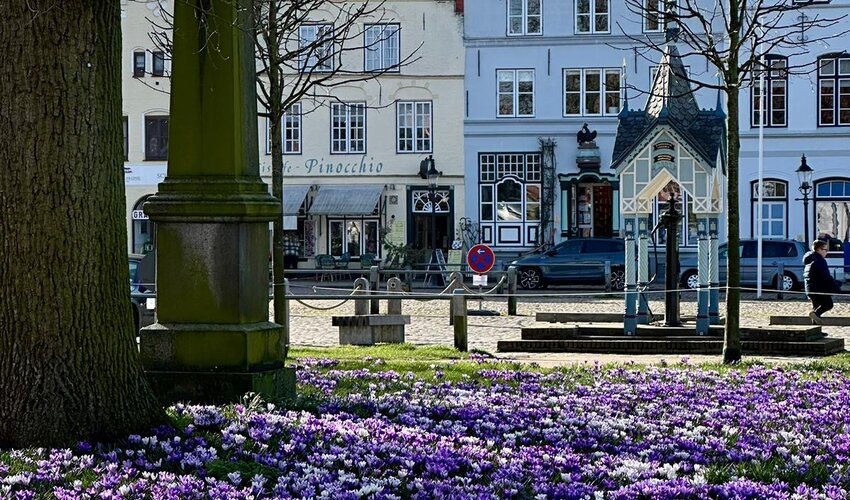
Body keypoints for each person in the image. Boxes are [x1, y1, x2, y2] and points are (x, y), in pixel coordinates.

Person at [803, 239, 841, 325]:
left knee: (816, 309)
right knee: (828, 304)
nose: (826, 252)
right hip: (818, 289)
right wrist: (836, 286)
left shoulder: (809, 259)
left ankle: (815, 331)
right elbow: (826, 276)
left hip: (810, 288)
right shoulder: (820, 261)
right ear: (819, 249)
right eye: (825, 250)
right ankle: (816, 314)